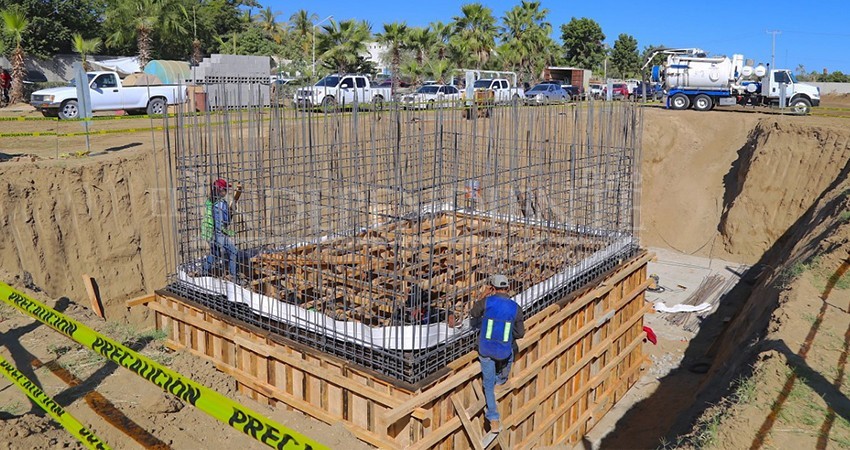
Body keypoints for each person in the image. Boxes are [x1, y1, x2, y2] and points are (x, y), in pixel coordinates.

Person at [470, 274, 525, 434]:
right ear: (508, 289)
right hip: (503, 351)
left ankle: (493, 418)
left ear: (492, 289)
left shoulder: (487, 302)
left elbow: (473, 313)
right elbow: (520, 333)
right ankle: (501, 379)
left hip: (485, 350)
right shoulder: (515, 308)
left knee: (487, 385)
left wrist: (484, 295)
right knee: (510, 355)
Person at [201, 178, 240, 280]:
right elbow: (223, 223)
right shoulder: (221, 204)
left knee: (215, 253)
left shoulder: (211, 201)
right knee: (233, 252)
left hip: (208, 232)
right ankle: (233, 277)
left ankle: (203, 272)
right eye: (225, 189)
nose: (227, 191)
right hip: (217, 233)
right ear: (220, 191)